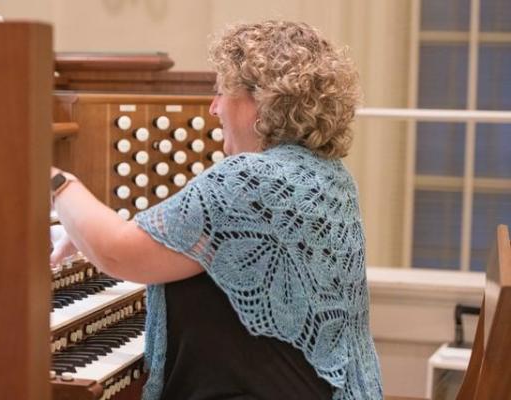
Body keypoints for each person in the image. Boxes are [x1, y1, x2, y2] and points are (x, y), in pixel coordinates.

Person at [51, 20, 382, 400]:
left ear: (261, 101)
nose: (213, 107)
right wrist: (75, 231)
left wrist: (56, 181)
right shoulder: (328, 176)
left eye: (221, 90)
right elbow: (200, 243)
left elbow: (117, 251)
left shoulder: (249, 179)